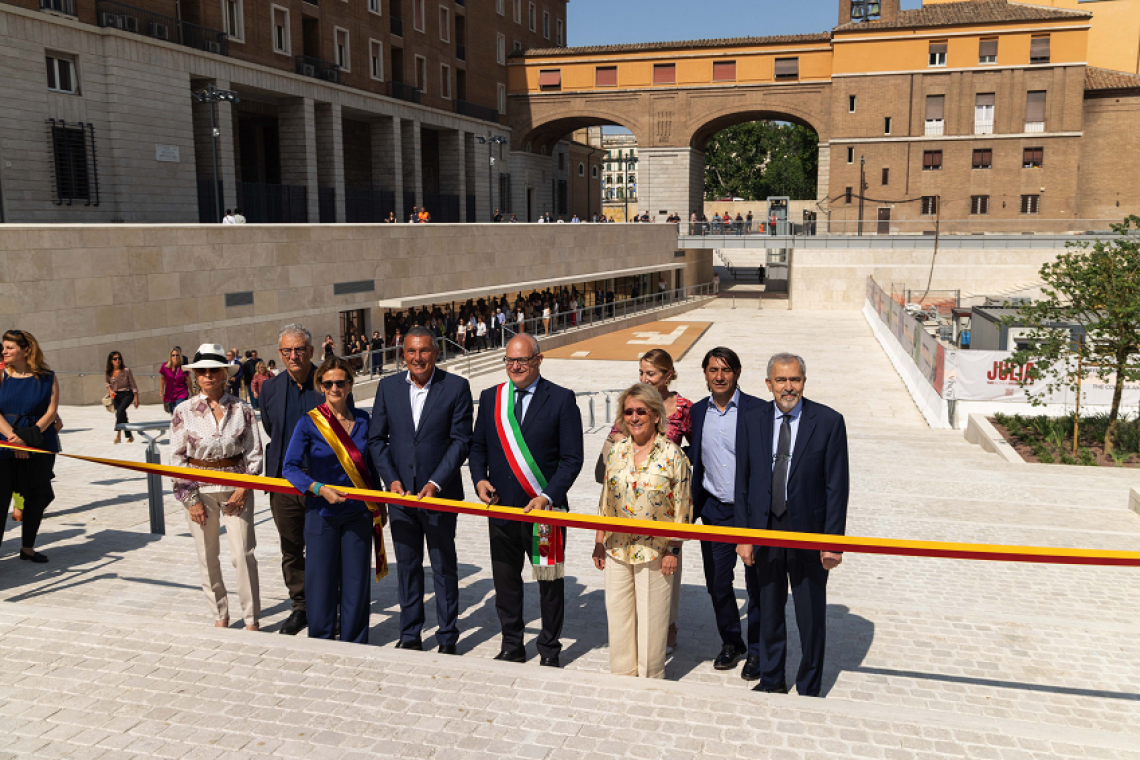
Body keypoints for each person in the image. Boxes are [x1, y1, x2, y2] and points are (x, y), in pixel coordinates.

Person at [469, 334, 584, 667]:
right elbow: (477, 447)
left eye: (522, 360)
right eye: (509, 360)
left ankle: (549, 648)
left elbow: (571, 458)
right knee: (505, 582)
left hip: (545, 515)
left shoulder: (561, 399)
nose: (515, 366)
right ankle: (512, 644)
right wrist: (479, 480)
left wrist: (547, 496)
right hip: (503, 513)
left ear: (538, 360)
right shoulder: (491, 398)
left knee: (548, 584)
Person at [738, 353, 849, 697]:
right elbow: (743, 482)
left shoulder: (828, 421)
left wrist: (832, 542)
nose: (789, 387)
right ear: (768, 384)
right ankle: (772, 680)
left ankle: (810, 686)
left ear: (804, 382)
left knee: (810, 616)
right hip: (765, 531)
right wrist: (743, 537)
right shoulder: (752, 419)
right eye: (781, 380)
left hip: (809, 536)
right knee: (768, 611)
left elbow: (837, 487)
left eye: (795, 379)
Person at [369, 326, 473, 653]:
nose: (418, 358)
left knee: (443, 567)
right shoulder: (387, 389)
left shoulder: (456, 387)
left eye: (424, 351)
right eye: (411, 352)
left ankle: (447, 637)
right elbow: (376, 439)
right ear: (403, 355)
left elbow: (461, 441)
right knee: (408, 568)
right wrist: (392, 480)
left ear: (436, 352)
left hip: (439, 495)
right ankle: (410, 634)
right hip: (400, 498)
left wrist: (435, 481)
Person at [596, 349, 692, 653]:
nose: (644, 378)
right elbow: (609, 458)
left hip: (666, 506)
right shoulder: (633, 404)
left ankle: (668, 628)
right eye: (641, 372)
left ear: (667, 374)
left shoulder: (686, 409)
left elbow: (698, 452)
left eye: (650, 373)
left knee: (664, 591)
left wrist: (676, 540)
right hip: (626, 503)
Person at [284, 356, 381, 644]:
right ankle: (321, 639)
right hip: (321, 513)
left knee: (356, 582)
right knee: (321, 582)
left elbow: (371, 467)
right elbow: (289, 467)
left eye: (341, 382)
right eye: (328, 383)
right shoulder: (309, 422)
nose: (335, 388)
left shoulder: (364, 420)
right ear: (321, 386)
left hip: (358, 514)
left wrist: (380, 507)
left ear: (351, 384)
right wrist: (316, 488)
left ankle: (355, 640)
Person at [171, 343, 263, 631]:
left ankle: (251, 618)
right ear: (195, 376)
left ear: (225, 373)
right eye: (202, 371)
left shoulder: (243, 409)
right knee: (206, 555)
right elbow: (176, 459)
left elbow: (255, 452)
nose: (208, 375)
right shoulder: (183, 411)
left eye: (214, 370)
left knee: (242, 554)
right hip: (200, 490)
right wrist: (190, 499)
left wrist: (244, 488)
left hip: (237, 489)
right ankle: (220, 614)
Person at [688, 346, 766, 678]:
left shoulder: (759, 411)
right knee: (718, 584)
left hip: (751, 514)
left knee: (757, 585)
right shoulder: (695, 412)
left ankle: (759, 653)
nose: (719, 376)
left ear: (737, 373)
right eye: (713, 370)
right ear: (705, 374)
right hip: (715, 511)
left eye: (726, 370)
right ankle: (732, 642)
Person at [259, 324, 327, 636]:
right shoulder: (271, 389)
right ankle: (300, 607)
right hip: (283, 484)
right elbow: (272, 429)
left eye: (299, 349)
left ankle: (328, 606)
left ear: (312, 351)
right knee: (291, 548)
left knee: (324, 546)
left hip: (321, 483)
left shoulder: (327, 383)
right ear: (280, 354)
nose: (293, 355)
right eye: (287, 350)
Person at [0, 330, 60, 563]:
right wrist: (14, 439)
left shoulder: (47, 377)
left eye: (9, 347)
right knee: (1, 498)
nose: (4, 351)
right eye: (4, 347)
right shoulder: (1, 374)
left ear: (27, 350)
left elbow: (51, 411)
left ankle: (27, 548)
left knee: (38, 495)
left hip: (39, 442)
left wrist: (28, 439)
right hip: (4, 444)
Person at [105, 351, 139, 444]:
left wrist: (136, 398)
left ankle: (118, 435)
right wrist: (110, 390)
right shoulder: (109, 372)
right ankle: (130, 436)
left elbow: (133, 384)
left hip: (127, 394)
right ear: (111, 361)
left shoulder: (126, 370)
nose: (117, 360)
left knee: (119, 412)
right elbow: (107, 383)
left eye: (119, 358)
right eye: (115, 359)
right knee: (122, 415)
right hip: (115, 395)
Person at [160, 346, 191, 414]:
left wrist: (193, 392)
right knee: (173, 413)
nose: (175, 357)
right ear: (170, 357)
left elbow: (189, 381)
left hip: (182, 393)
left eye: (177, 355)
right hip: (170, 395)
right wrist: (161, 393)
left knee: (179, 411)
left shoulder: (183, 367)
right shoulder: (164, 367)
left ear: (180, 356)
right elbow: (162, 379)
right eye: (173, 355)